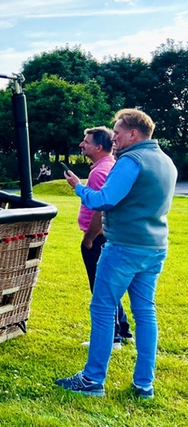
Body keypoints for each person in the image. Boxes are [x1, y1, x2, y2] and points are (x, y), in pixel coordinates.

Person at [56, 109, 177, 399]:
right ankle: (144, 385)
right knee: (145, 313)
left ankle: (92, 380)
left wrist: (79, 188)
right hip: (155, 247)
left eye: (118, 132)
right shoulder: (166, 161)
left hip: (123, 247)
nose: (115, 138)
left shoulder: (131, 160)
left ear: (133, 134)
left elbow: (105, 200)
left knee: (102, 309)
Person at [75, 127, 131, 349]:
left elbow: (100, 209)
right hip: (109, 236)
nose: (82, 145)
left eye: (86, 142)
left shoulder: (99, 172)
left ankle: (113, 337)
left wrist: (89, 238)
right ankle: (123, 331)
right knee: (110, 285)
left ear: (98, 147)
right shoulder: (109, 166)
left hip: (98, 238)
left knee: (101, 289)